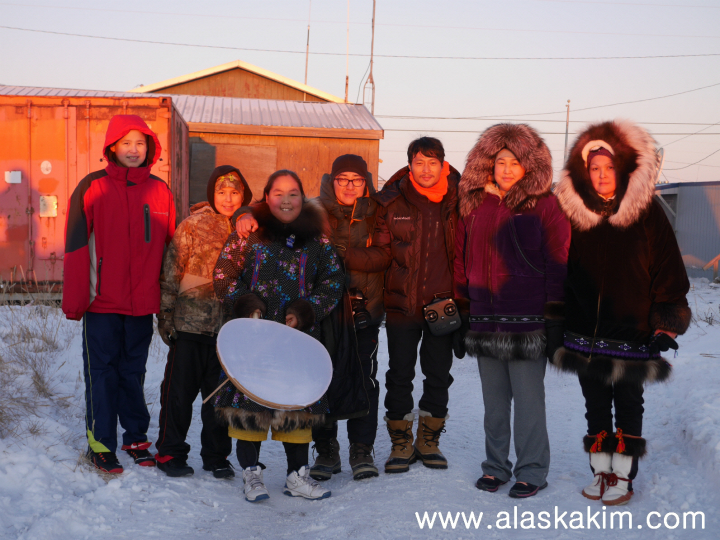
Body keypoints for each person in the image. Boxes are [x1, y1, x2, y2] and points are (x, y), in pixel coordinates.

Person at [553, 120, 691, 506]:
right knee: (595, 405)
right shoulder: (575, 214)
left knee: (628, 404)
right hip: (585, 333)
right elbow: (561, 269)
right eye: (594, 168)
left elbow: (668, 269)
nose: (601, 175)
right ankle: (600, 470)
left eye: (609, 167)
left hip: (633, 331)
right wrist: (559, 319)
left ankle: (623, 476)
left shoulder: (645, 211)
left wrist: (666, 323)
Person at [213, 170, 344, 502]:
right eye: (278, 193)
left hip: (297, 339)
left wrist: (306, 310)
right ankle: (251, 474)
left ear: (303, 197)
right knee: (250, 405)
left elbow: (332, 282)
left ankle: (297, 477)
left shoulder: (318, 240)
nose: (286, 200)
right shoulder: (249, 234)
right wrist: (246, 304)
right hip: (253, 338)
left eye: (293, 193)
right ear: (266, 197)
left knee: (296, 406)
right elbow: (224, 275)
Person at [454, 124, 571, 498]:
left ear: (528, 166)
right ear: (488, 164)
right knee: (494, 405)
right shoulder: (474, 205)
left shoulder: (546, 205)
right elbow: (461, 260)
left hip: (527, 323)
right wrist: (462, 311)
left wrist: (555, 319)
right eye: (500, 161)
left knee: (529, 403)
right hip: (484, 320)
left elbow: (558, 263)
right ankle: (495, 467)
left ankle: (532, 470)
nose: (506, 169)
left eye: (515, 162)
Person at [62, 115, 175, 474]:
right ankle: (100, 445)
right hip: (102, 303)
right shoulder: (92, 187)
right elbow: (76, 245)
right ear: (112, 147)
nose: (133, 149)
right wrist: (76, 300)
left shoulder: (160, 191)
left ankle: (136, 439)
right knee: (102, 373)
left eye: (140, 143)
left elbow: (172, 251)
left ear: (150, 148)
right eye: (126, 143)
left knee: (133, 372)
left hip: (141, 304)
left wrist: (168, 302)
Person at [368, 137, 461, 473]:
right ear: (410, 165)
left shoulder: (459, 200)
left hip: (442, 305)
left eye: (432, 162)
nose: (426, 169)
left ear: (443, 165)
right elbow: (380, 252)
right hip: (401, 304)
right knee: (399, 374)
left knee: (438, 374)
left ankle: (429, 440)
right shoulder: (391, 201)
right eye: (419, 162)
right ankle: (401, 442)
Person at [155, 166, 252, 478]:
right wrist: (166, 315)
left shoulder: (249, 229)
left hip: (228, 332)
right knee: (178, 394)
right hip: (190, 325)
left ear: (244, 196)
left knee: (219, 398)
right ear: (212, 193)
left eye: (234, 192)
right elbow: (172, 271)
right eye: (222, 192)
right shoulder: (193, 225)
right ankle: (170, 451)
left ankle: (216, 455)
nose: (228, 198)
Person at [309, 155, 384, 481]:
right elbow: (271, 207)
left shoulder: (377, 213)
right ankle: (326, 449)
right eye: (343, 179)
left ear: (366, 183)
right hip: (324, 313)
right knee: (322, 378)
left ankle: (361, 448)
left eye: (357, 179)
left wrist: (343, 254)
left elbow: (386, 255)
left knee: (364, 379)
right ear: (332, 181)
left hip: (365, 308)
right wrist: (243, 212)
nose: (350, 186)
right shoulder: (313, 212)